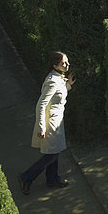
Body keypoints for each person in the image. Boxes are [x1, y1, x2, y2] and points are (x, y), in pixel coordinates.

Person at [18, 51, 76, 195]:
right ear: (55, 65)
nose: (67, 64)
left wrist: (68, 84)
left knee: (54, 151)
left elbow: (59, 95)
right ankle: (26, 177)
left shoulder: (58, 78)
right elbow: (41, 105)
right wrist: (41, 127)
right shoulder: (52, 81)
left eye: (67, 61)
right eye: (64, 63)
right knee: (51, 154)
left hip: (57, 121)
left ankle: (52, 178)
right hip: (50, 123)